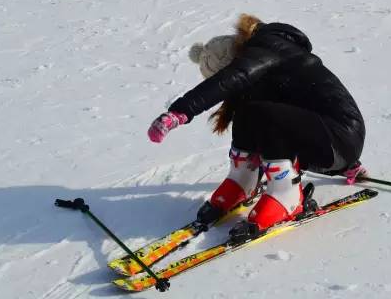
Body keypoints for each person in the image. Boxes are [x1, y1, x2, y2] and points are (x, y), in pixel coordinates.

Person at [147, 14, 367, 236]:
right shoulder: (269, 61)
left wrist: (180, 112)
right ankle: (242, 181)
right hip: (330, 139)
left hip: (339, 139)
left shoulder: (265, 50)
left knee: (264, 113)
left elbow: (234, 77)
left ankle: (287, 194)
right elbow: (301, 118)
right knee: (249, 111)